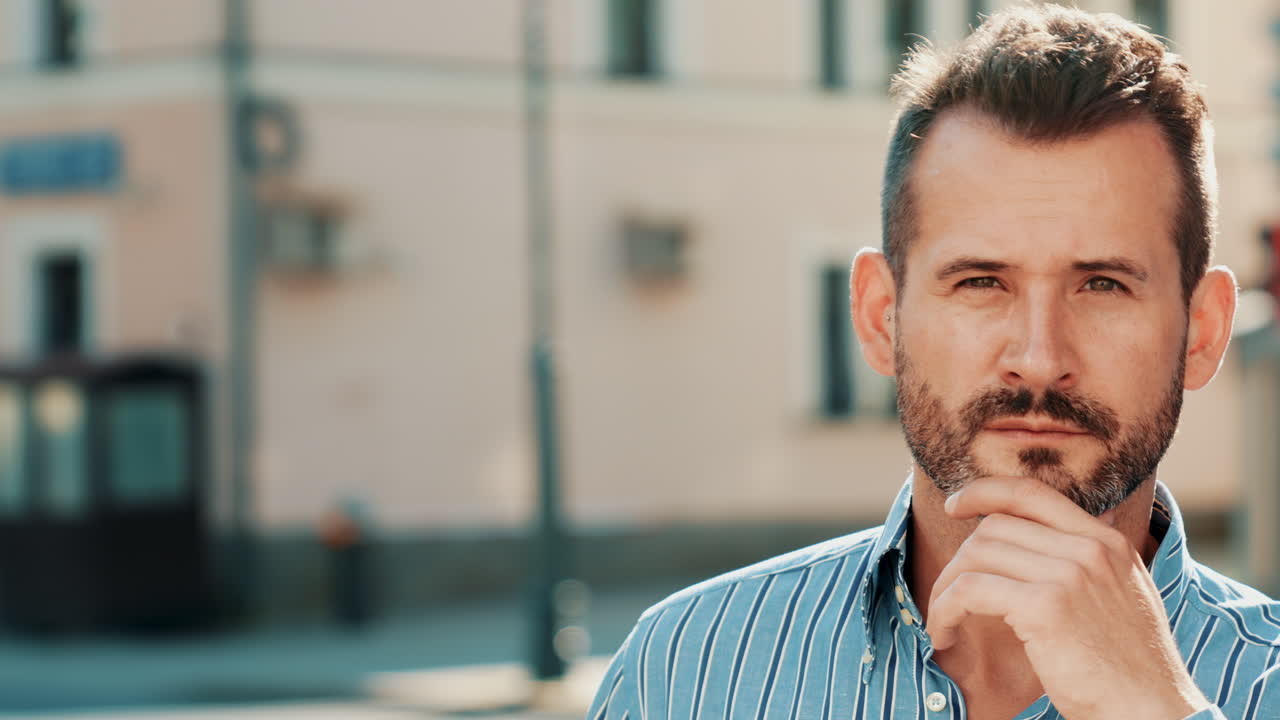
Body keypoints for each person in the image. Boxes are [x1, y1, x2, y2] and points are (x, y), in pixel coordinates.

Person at [587, 5, 1280, 719]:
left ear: (1203, 331)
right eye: (981, 282)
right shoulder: (682, 672)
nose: (1039, 359)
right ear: (879, 317)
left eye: (1102, 285)